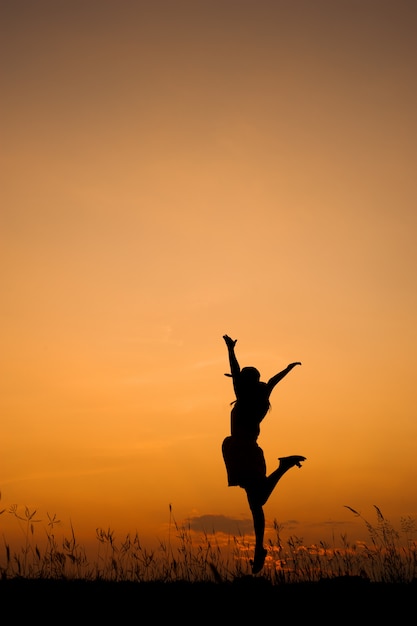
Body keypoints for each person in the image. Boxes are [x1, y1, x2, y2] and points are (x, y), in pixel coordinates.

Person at [221, 334, 306, 574]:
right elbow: (271, 381)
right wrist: (287, 370)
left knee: (257, 502)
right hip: (248, 450)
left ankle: (284, 467)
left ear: (245, 382)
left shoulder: (244, 397)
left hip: (239, 449)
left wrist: (230, 349)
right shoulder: (260, 398)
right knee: (257, 502)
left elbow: (236, 370)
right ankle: (259, 549)